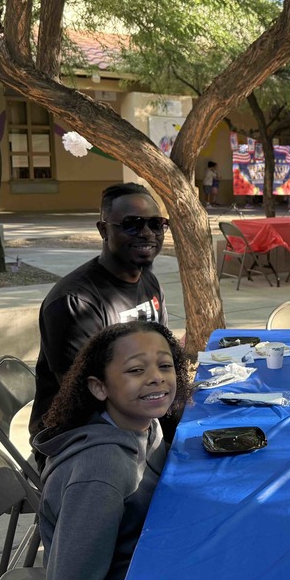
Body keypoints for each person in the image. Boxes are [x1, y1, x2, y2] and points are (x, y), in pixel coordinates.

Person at [34, 321, 190, 580]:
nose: (156, 377)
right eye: (135, 370)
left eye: (165, 365)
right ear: (99, 387)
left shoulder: (144, 423)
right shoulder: (102, 472)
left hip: (148, 561)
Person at [32, 183, 171, 442]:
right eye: (132, 224)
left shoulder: (149, 282)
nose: (147, 233)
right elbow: (84, 396)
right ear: (103, 230)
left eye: (156, 224)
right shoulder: (75, 302)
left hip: (141, 414)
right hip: (82, 436)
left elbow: (163, 360)